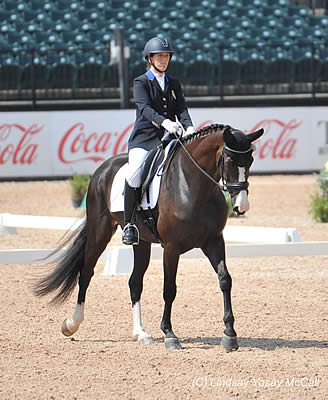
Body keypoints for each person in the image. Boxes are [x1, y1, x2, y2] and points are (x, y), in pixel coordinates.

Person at [122, 36, 195, 245]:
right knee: (135, 175)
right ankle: (129, 224)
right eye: (159, 56)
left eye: (166, 56)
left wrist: (188, 126)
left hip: (169, 138)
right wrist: (164, 122)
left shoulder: (173, 83)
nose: (164, 60)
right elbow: (145, 109)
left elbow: (181, 108)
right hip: (144, 140)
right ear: (150, 58)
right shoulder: (141, 82)